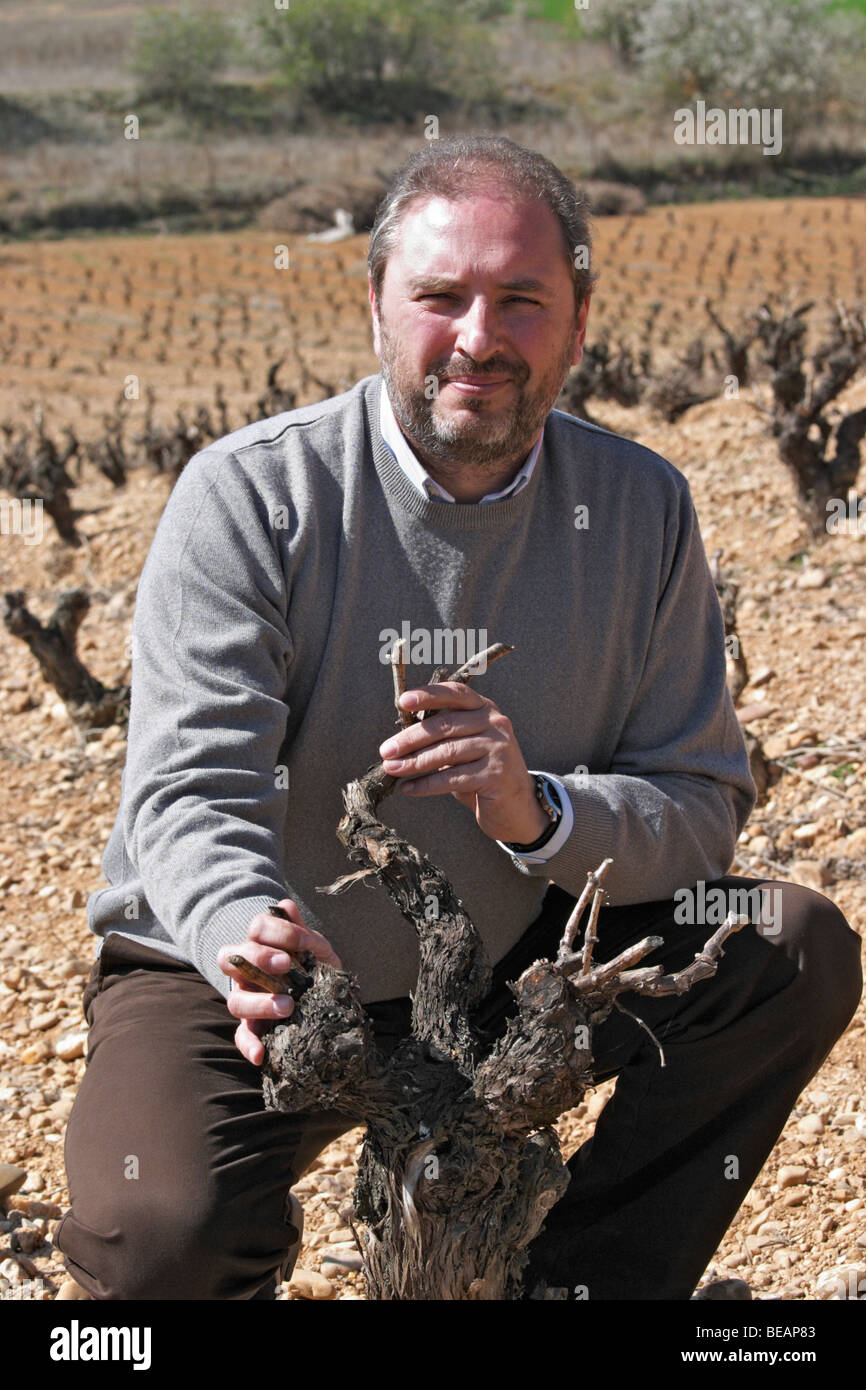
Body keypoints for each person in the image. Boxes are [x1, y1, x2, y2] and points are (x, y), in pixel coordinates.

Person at [55, 136, 862, 1301]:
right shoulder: (251, 496)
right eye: (439, 297)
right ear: (376, 308)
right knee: (158, 1233)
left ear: (578, 322)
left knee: (785, 947)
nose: (477, 337)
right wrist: (247, 930)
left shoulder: (640, 507)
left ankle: (579, 1287)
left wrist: (540, 811)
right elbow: (190, 791)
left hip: (513, 960)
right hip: (245, 969)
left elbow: (698, 803)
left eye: (520, 300)